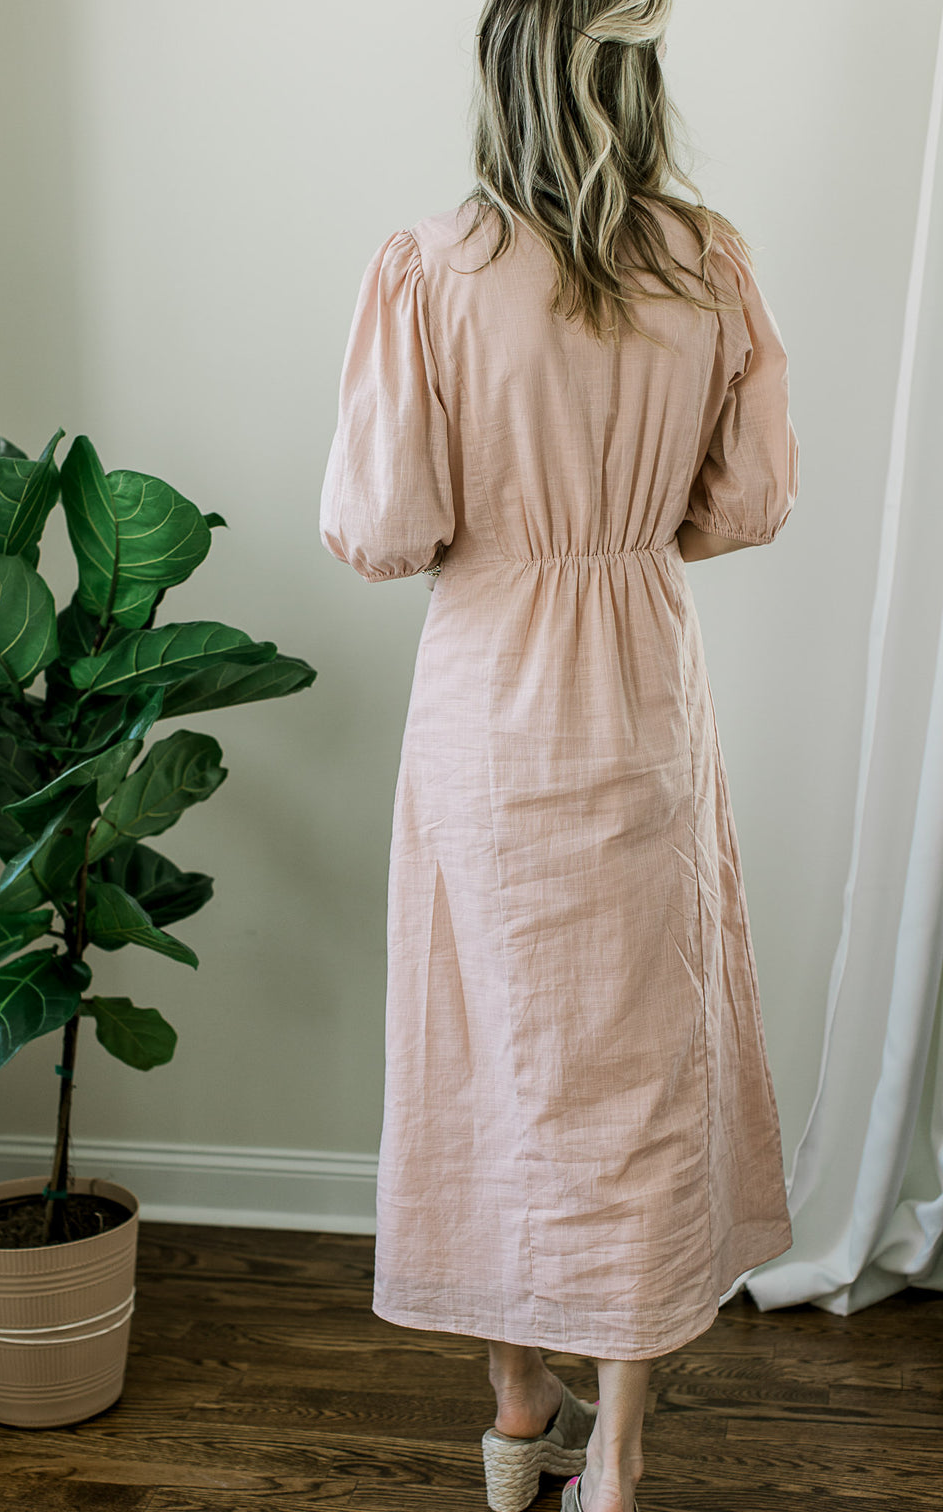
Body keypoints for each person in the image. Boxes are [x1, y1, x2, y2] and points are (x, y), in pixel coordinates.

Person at [318, 2, 798, 1509]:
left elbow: (385, 531)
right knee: (643, 1075)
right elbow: (747, 503)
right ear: (638, 75)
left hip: (489, 706)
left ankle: (518, 1409)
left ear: (502, 76)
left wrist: (522, 530)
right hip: (644, 692)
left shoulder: (431, 266)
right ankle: (621, 1462)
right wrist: (618, 534)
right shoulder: (708, 262)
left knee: (498, 1059)